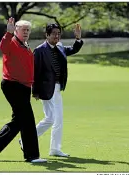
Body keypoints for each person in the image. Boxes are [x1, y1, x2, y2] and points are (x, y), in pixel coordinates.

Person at [0, 17, 47, 163]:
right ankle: (32, 156)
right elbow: (3, 47)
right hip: (13, 85)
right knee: (28, 120)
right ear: (16, 30)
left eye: (28, 30)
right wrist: (8, 33)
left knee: (20, 120)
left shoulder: (25, 45)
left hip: (24, 87)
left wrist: (34, 87)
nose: (26, 32)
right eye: (23, 29)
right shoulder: (11, 42)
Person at [20, 23, 83, 157]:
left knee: (58, 120)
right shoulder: (39, 50)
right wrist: (35, 91)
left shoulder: (59, 47)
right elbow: (35, 72)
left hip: (58, 87)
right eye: (54, 33)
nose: (57, 36)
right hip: (45, 89)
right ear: (47, 35)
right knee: (50, 118)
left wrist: (78, 39)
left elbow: (73, 49)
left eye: (58, 33)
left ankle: (55, 149)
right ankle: (25, 140)